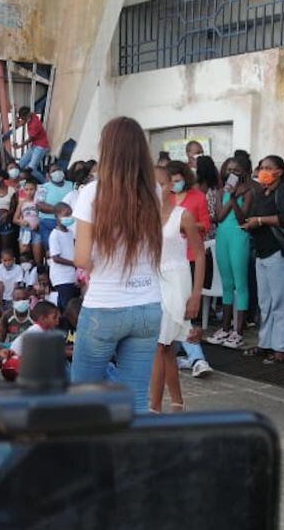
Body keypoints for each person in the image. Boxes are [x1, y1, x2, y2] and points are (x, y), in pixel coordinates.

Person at [72, 117, 164, 412]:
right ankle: (133, 457)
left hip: (104, 306)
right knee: (136, 398)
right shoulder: (154, 192)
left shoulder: (91, 193)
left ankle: (88, 458)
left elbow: (82, 259)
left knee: (83, 396)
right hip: (149, 305)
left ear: (107, 150)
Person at [149, 174, 205, 413]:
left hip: (177, 280)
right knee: (165, 346)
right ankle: (177, 402)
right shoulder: (145, 218)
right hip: (153, 281)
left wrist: (196, 295)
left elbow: (200, 255)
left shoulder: (182, 215)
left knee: (161, 345)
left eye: (160, 184)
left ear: (170, 186)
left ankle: (153, 407)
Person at [243, 155, 284, 364]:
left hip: (280, 252)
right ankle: (265, 342)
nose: (264, 171)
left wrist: (259, 220)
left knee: (281, 301)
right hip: (262, 251)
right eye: (261, 167)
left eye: (269, 167)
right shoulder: (262, 192)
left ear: (280, 171)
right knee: (265, 302)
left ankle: (281, 348)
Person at [208, 157, 253, 348]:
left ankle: (239, 331)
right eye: (229, 170)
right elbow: (218, 217)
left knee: (240, 284)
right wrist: (230, 196)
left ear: (243, 173)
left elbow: (242, 217)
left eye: (236, 170)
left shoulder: (248, 192)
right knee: (226, 283)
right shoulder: (220, 192)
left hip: (238, 237)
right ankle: (225, 328)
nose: (231, 173)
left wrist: (235, 198)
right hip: (222, 238)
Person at [48, 202, 78, 311]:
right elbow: (55, 258)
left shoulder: (70, 233)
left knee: (69, 303)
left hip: (71, 276)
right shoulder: (55, 234)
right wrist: (74, 263)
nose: (68, 218)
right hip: (61, 277)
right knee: (67, 306)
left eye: (70, 215)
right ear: (56, 216)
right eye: (65, 215)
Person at [35, 166, 74, 248]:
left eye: (59, 169)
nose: (57, 172)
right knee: (51, 249)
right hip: (48, 223)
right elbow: (39, 204)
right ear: (49, 175)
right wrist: (59, 210)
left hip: (68, 222)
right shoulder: (43, 187)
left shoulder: (71, 185)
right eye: (54, 170)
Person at [14, 106, 51, 182]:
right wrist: (16, 117)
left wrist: (19, 146)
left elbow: (30, 139)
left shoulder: (35, 124)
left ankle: (45, 183)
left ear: (27, 115)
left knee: (31, 169)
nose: (23, 120)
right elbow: (20, 123)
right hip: (34, 145)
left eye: (23, 118)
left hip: (41, 146)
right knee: (21, 164)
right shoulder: (31, 115)